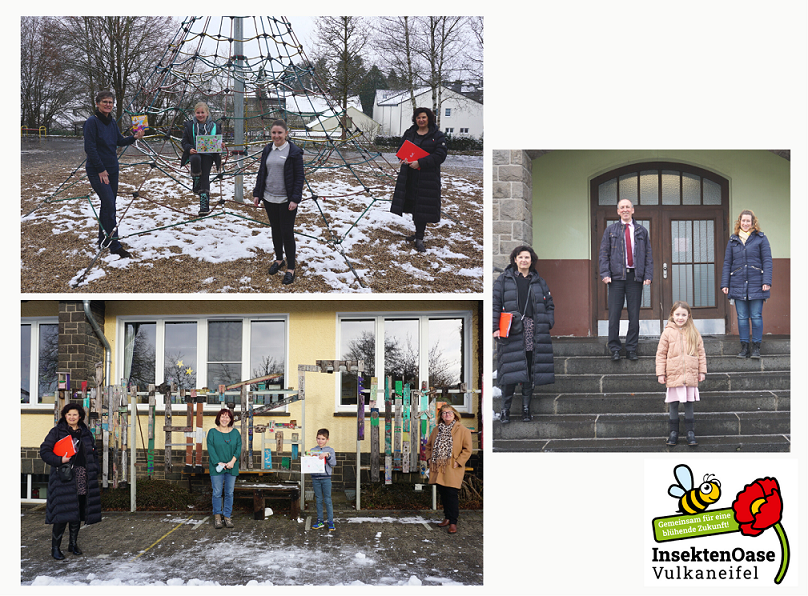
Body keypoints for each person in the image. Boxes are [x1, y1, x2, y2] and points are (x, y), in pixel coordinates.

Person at [493, 245, 555, 423]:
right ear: (515, 259)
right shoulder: (503, 280)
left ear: (531, 261)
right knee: (510, 371)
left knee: (529, 369)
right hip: (511, 330)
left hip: (533, 330)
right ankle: (505, 410)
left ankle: (526, 409)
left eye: (527, 257)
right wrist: (494, 327)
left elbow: (549, 304)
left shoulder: (539, 281)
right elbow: (495, 304)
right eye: (520, 257)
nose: (523, 260)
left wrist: (548, 321)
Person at [83, 90, 145, 258]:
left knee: (108, 204)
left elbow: (119, 141)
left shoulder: (111, 123)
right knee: (110, 204)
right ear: (97, 103)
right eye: (104, 101)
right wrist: (101, 169)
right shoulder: (92, 122)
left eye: (110, 102)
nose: (108, 104)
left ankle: (103, 239)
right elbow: (90, 148)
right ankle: (115, 244)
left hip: (112, 168)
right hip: (98, 170)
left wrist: (135, 137)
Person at [39, 403, 102, 560]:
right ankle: (55, 548)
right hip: (64, 478)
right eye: (69, 414)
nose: (72, 417)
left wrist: (95, 467)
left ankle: (73, 544)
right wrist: (60, 459)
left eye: (75, 414)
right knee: (62, 514)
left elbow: (94, 452)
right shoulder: (56, 432)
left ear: (80, 416)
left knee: (77, 513)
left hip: (82, 476)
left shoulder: (86, 433)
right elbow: (44, 451)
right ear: (64, 416)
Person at [598, 198, 653, 361]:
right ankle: (614, 348)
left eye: (628, 207)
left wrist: (648, 275)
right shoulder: (610, 230)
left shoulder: (642, 231)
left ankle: (631, 348)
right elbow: (603, 253)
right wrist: (605, 273)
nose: (625, 210)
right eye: (622, 207)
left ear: (633, 210)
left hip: (635, 277)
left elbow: (648, 254)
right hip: (615, 278)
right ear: (618, 211)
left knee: (634, 315)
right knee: (614, 314)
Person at [252, 119, 305, 285]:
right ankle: (279, 259)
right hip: (269, 197)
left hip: (286, 199)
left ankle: (291, 267)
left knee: (287, 232)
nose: (276, 136)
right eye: (273, 133)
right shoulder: (268, 149)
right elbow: (262, 173)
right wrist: (257, 194)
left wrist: (295, 199)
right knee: (275, 229)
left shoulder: (294, 151)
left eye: (279, 133)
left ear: (286, 134)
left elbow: (299, 177)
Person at [390, 107, 448, 252]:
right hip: (409, 176)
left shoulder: (437, 135)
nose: (421, 120)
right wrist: (402, 158)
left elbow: (440, 155)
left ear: (429, 118)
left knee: (423, 206)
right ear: (415, 119)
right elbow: (401, 148)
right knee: (413, 204)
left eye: (423, 117)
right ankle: (417, 232)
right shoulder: (410, 133)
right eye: (418, 118)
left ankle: (420, 238)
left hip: (427, 177)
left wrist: (420, 163)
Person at [720, 209, 772, 359]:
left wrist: (766, 281)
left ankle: (756, 348)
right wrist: (725, 283)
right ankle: (744, 348)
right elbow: (727, 263)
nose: (745, 223)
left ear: (753, 222)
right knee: (742, 317)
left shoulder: (761, 239)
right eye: (743, 221)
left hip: (757, 283)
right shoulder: (733, 240)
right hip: (737, 283)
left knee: (756, 316)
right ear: (739, 222)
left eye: (748, 221)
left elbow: (767, 261)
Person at [655, 301, 707, 447]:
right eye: (677, 314)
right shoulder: (667, 332)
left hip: (690, 374)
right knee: (673, 404)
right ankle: (674, 432)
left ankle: (690, 432)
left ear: (688, 316)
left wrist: (702, 371)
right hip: (673, 373)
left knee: (689, 404)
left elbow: (701, 353)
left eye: (683, 315)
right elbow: (661, 354)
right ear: (672, 315)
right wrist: (661, 373)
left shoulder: (694, 332)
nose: (680, 317)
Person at [425, 404, 472, 534]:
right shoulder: (436, 430)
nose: (447, 415)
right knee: (443, 493)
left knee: (451, 494)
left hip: (452, 467)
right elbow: (428, 446)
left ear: (455, 414)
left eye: (449, 412)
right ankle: (446, 517)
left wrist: (459, 462)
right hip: (438, 467)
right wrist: (429, 459)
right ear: (441, 416)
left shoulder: (462, 430)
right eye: (444, 413)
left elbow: (467, 450)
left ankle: (453, 522)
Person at [180, 101, 222, 216]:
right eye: (198, 113)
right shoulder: (190, 126)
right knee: (195, 159)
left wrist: (220, 145)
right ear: (195, 113)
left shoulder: (214, 126)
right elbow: (184, 142)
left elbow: (218, 140)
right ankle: (196, 179)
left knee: (205, 176)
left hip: (209, 155)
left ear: (207, 113)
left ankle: (204, 205)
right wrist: (189, 149)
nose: (200, 115)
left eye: (202, 112)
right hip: (195, 152)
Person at [207, 408, 242, 529]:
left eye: (227, 417)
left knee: (229, 493)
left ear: (231, 419)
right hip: (217, 467)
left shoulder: (235, 433)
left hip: (231, 467)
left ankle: (227, 516)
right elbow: (210, 448)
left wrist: (232, 462)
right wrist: (219, 462)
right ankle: (217, 517)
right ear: (218, 418)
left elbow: (239, 448)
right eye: (222, 416)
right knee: (217, 492)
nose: (225, 419)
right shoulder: (212, 432)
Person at [309, 428, 337, 531]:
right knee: (318, 500)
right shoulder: (313, 450)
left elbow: (333, 463)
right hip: (315, 478)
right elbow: (310, 464)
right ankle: (320, 520)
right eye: (318, 438)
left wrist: (327, 456)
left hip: (326, 478)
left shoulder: (330, 450)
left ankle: (330, 521)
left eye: (323, 439)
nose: (320, 441)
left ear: (327, 439)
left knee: (328, 500)